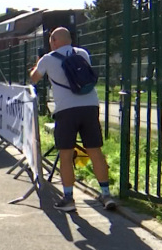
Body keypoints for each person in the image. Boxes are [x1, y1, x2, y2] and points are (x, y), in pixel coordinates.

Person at [30, 27, 116, 211]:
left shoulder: (48, 59)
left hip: (66, 110)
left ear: (53, 41)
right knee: (95, 152)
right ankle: (106, 194)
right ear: (70, 39)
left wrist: (38, 64)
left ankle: (68, 198)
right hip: (90, 106)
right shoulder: (83, 53)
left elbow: (34, 78)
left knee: (66, 155)